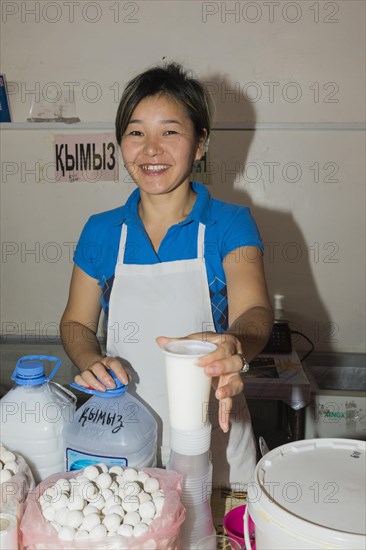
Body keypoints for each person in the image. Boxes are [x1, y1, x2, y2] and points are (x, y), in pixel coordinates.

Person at [60, 62, 273, 488]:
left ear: (200, 144)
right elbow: (76, 323)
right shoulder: (101, 230)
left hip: (215, 438)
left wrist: (237, 344)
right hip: (123, 439)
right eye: (136, 132)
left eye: (170, 132)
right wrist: (90, 360)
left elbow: (254, 311)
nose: (151, 149)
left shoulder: (230, 224)